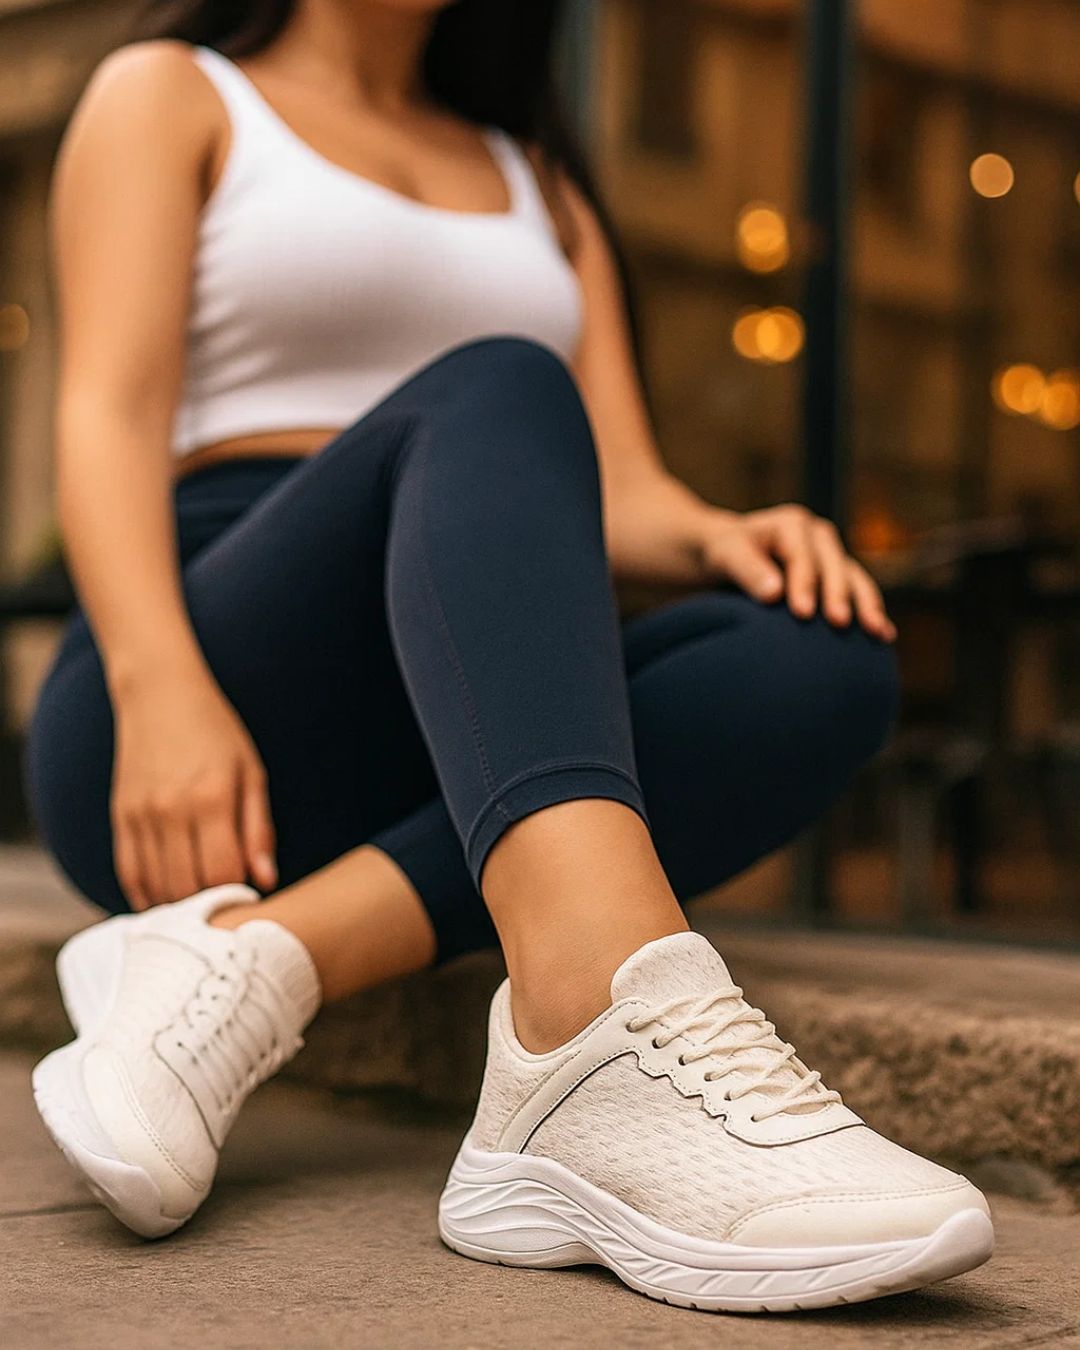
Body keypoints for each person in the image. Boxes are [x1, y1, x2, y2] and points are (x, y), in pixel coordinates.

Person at [25, 0, 993, 1314]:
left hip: (461, 688)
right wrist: (159, 685)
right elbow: (105, 415)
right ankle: (595, 1012)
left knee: (826, 653)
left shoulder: (542, 180)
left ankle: (266, 956)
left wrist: (727, 533)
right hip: (215, 673)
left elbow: (627, 492)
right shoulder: (175, 92)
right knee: (497, 382)